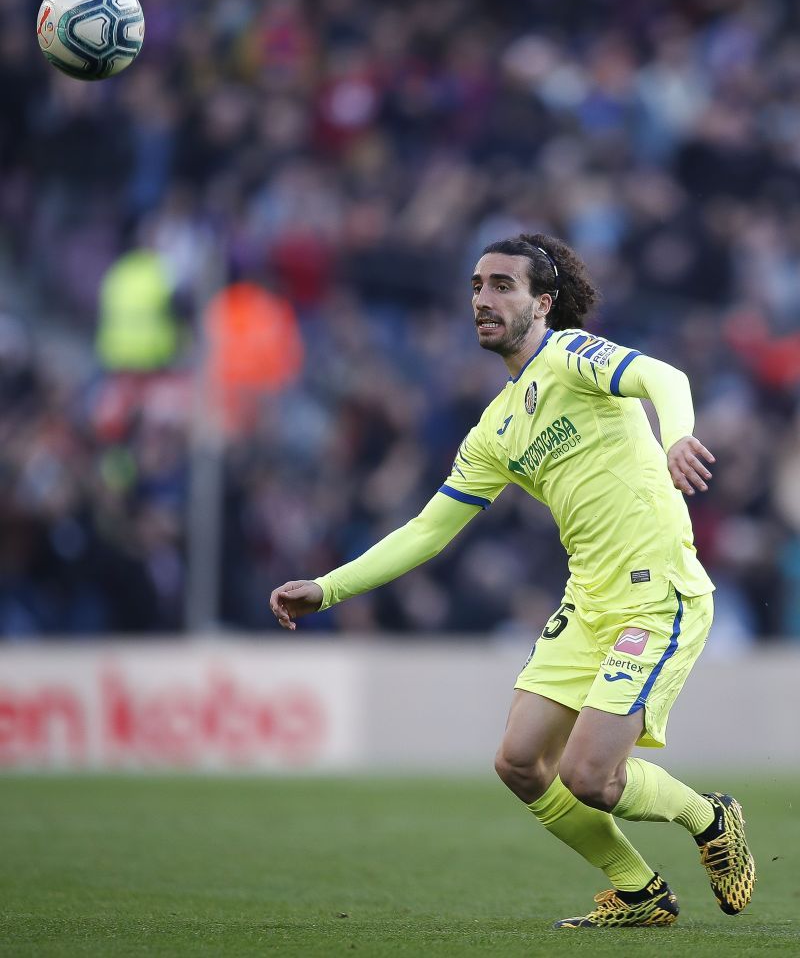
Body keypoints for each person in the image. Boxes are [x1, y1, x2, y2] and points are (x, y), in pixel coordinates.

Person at [269, 233, 755, 928]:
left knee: (590, 778)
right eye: (475, 286)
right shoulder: (495, 428)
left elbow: (664, 378)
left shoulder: (571, 355)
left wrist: (677, 434)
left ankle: (710, 817)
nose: (483, 300)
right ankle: (640, 891)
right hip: (588, 602)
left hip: (657, 594)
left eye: (502, 285)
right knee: (521, 762)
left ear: (543, 303)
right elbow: (426, 530)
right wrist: (328, 586)